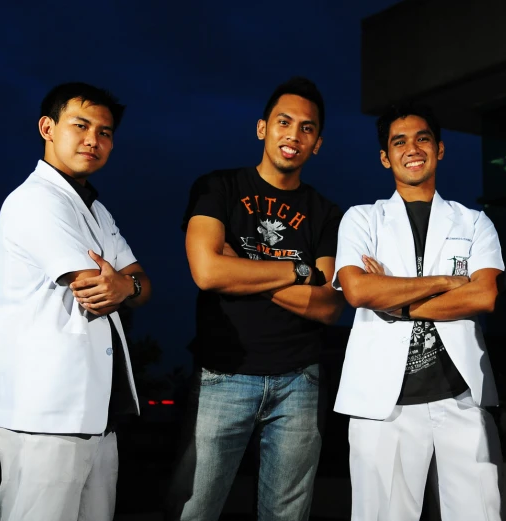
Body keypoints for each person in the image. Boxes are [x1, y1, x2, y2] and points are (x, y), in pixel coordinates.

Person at [165, 77, 344, 521]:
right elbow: (207, 272)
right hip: (222, 375)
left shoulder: (327, 213)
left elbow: (327, 306)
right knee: (194, 510)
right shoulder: (218, 188)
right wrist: (301, 271)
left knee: (285, 515)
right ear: (262, 128)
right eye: (284, 122)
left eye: (307, 128)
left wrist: (241, 267)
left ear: (317, 144)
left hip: (299, 382)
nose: (294, 135)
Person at [333, 102, 504, 521]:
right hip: (383, 403)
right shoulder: (362, 219)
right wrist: (446, 282)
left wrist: (391, 298)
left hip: (460, 397)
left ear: (440, 149)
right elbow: (357, 289)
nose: (413, 148)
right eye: (399, 142)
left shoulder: (474, 222)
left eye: (423, 138)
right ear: (385, 156)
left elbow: (483, 297)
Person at [0, 82, 152, 520]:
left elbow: (139, 284)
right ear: (47, 127)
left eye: (105, 132)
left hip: (96, 411)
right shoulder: (33, 201)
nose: (93, 140)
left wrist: (127, 285)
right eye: (80, 126)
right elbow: (94, 287)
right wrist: (121, 284)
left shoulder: (97, 211)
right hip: (46, 407)